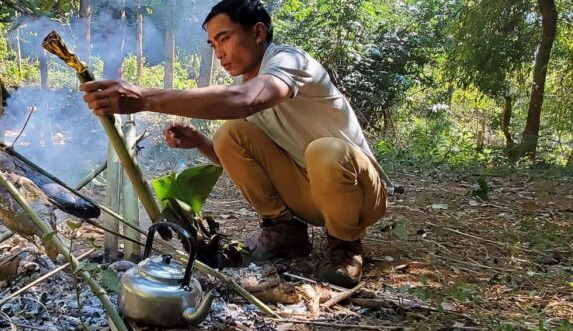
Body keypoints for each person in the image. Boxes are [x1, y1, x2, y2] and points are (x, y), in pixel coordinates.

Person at [80, 0, 387, 287]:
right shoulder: (246, 85)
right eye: (213, 45)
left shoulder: (290, 61)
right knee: (229, 134)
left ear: (258, 32)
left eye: (224, 39)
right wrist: (199, 142)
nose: (219, 53)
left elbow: (245, 100)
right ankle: (285, 232)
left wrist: (145, 98)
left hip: (358, 195)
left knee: (325, 151)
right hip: (310, 195)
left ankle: (345, 245)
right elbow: (241, 155)